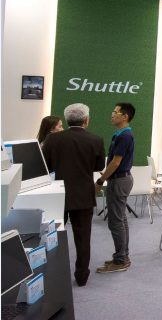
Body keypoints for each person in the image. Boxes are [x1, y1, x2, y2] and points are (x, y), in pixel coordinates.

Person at [42, 104, 105, 287]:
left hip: (57, 194)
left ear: (67, 119)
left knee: (53, 235)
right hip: (83, 196)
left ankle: (52, 275)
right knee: (83, 238)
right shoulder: (96, 140)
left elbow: (46, 165)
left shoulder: (52, 139)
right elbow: (99, 166)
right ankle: (82, 276)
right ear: (86, 120)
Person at [95, 102, 136, 274]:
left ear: (125, 116)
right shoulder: (121, 134)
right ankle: (122, 256)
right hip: (120, 179)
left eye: (115, 112)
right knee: (121, 220)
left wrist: (100, 181)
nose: (112, 115)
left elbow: (116, 162)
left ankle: (121, 260)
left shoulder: (125, 135)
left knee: (116, 222)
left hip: (119, 181)